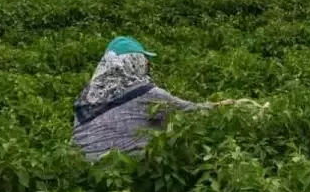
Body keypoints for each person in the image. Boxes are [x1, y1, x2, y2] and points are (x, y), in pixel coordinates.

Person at [72, 36, 234, 161]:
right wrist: (222, 105)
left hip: (83, 163)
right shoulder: (146, 93)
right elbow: (191, 111)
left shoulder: (87, 96)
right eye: (144, 61)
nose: (148, 65)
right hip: (125, 164)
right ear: (134, 62)